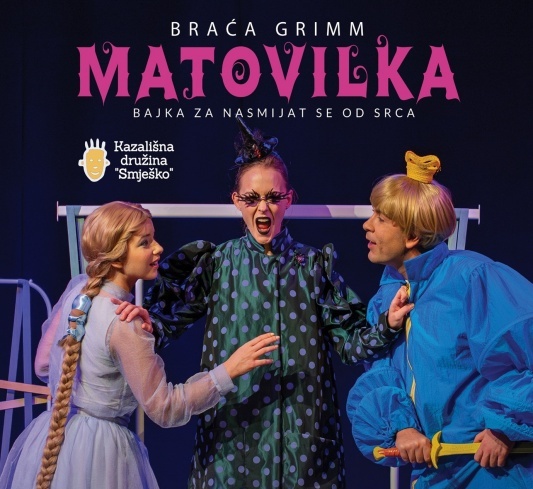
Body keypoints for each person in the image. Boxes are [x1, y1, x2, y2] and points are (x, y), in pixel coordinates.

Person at [117, 118, 412, 488]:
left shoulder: (312, 266)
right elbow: (163, 325)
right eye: (251, 198)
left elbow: (351, 345)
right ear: (235, 200)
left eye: (273, 197)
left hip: (302, 445)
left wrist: (388, 324)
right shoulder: (217, 263)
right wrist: (140, 322)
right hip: (232, 442)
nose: (263, 209)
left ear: (289, 199)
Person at [0, 201, 280, 489]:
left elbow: (44, 365)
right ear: (117, 257)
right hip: (101, 454)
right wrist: (228, 371)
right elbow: (165, 407)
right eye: (145, 243)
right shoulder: (124, 322)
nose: (158, 248)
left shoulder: (79, 294)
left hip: (60, 441)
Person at [346, 151, 533, 488]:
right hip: (436, 474)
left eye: (381, 218)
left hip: (492, 471)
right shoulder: (386, 299)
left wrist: (504, 427)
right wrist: (402, 428)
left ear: (412, 236)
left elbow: (526, 349)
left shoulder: (472, 278)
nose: (367, 224)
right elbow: (381, 375)